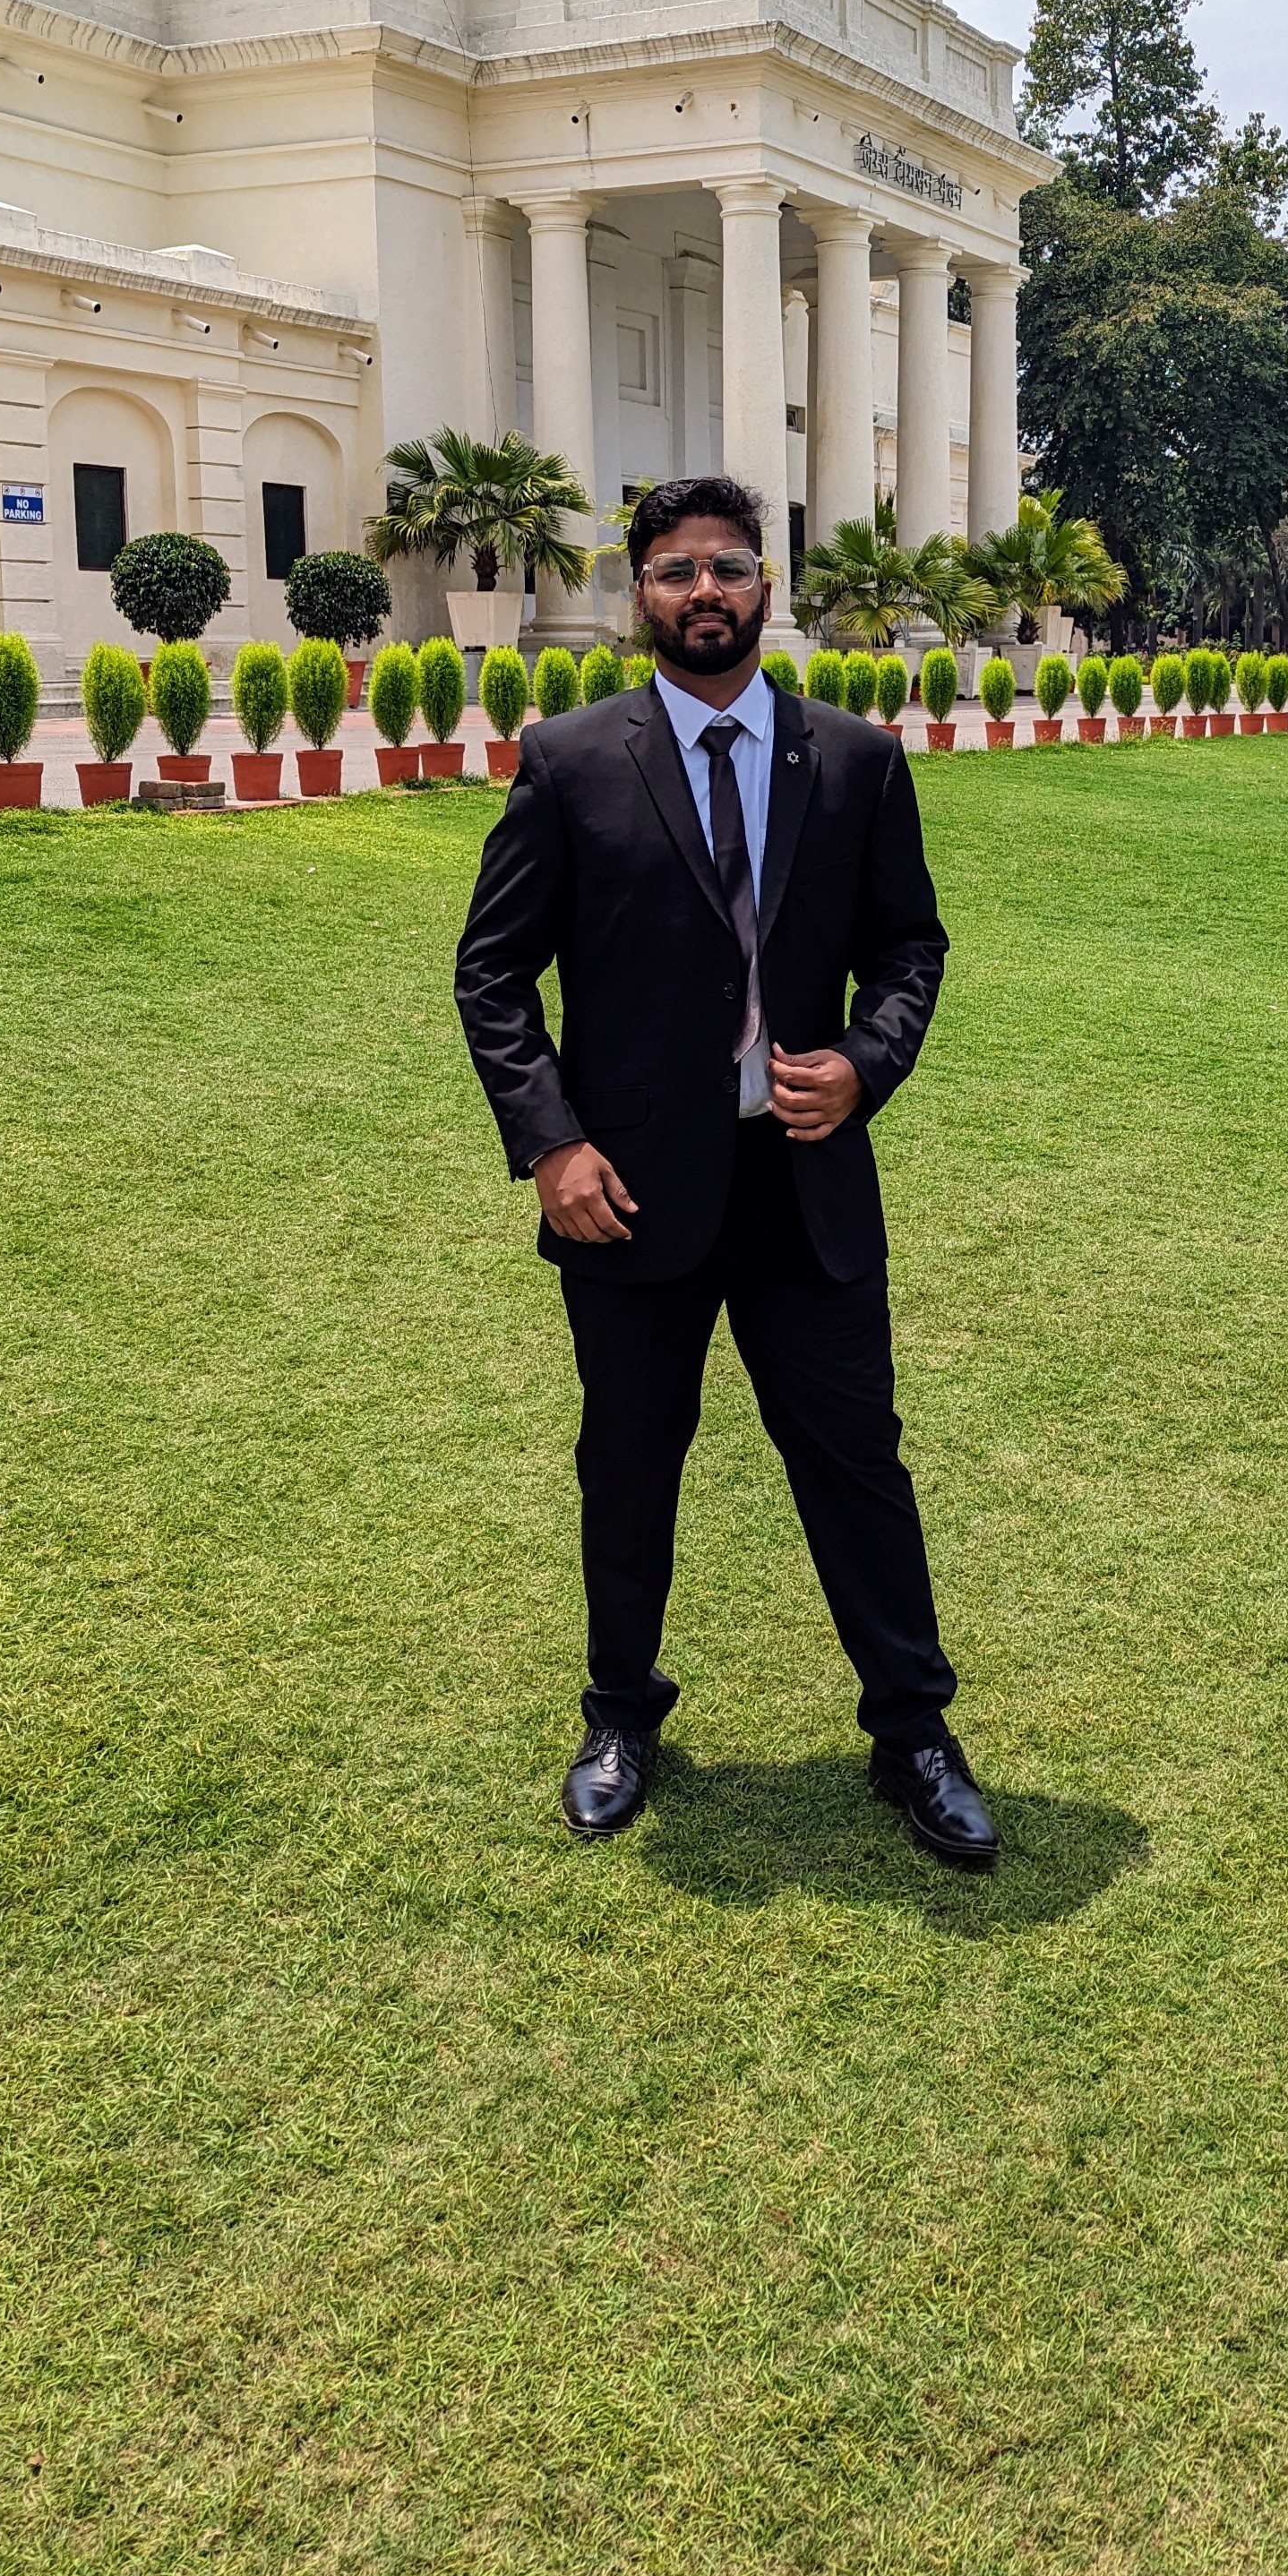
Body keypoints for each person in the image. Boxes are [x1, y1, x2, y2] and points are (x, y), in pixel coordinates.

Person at [453, 474, 998, 1867]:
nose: (707, 590)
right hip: (629, 1193)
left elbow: (911, 948)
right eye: (678, 569)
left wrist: (866, 1061)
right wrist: (552, 1143)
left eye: (731, 567)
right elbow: (493, 973)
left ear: (767, 586)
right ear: (640, 592)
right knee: (629, 1463)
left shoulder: (855, 761)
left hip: (806, 1187)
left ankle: (914, 1733)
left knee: (856, 1465)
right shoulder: (572, 761)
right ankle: (619, 1716)